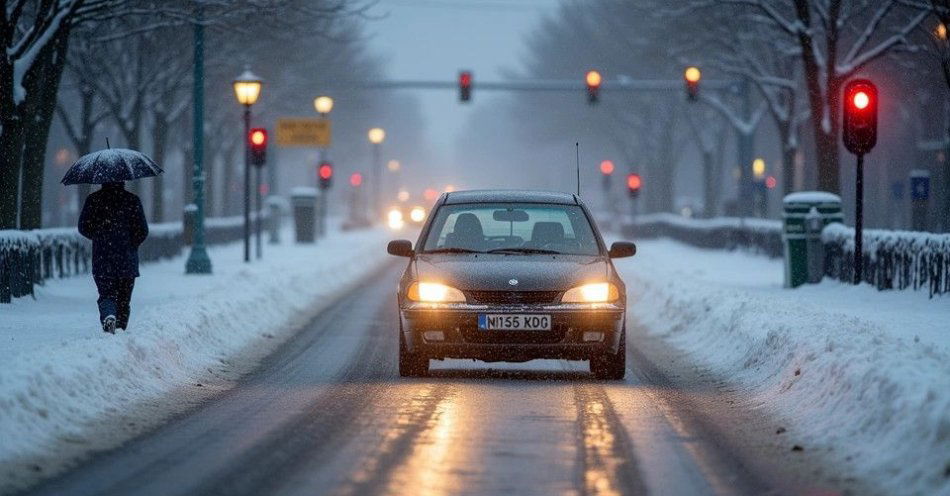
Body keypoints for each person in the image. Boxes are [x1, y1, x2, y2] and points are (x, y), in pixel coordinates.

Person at [78, 181, 149, 334]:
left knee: (106, 294)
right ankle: (120, 330)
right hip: (127, 260)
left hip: (102, 258)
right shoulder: (132, 200)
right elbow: (143, 230)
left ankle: (109, 316)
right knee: (124, 299)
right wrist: (131, 243)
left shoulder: (94, 200)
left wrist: (99, 237)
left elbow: (83, 227)